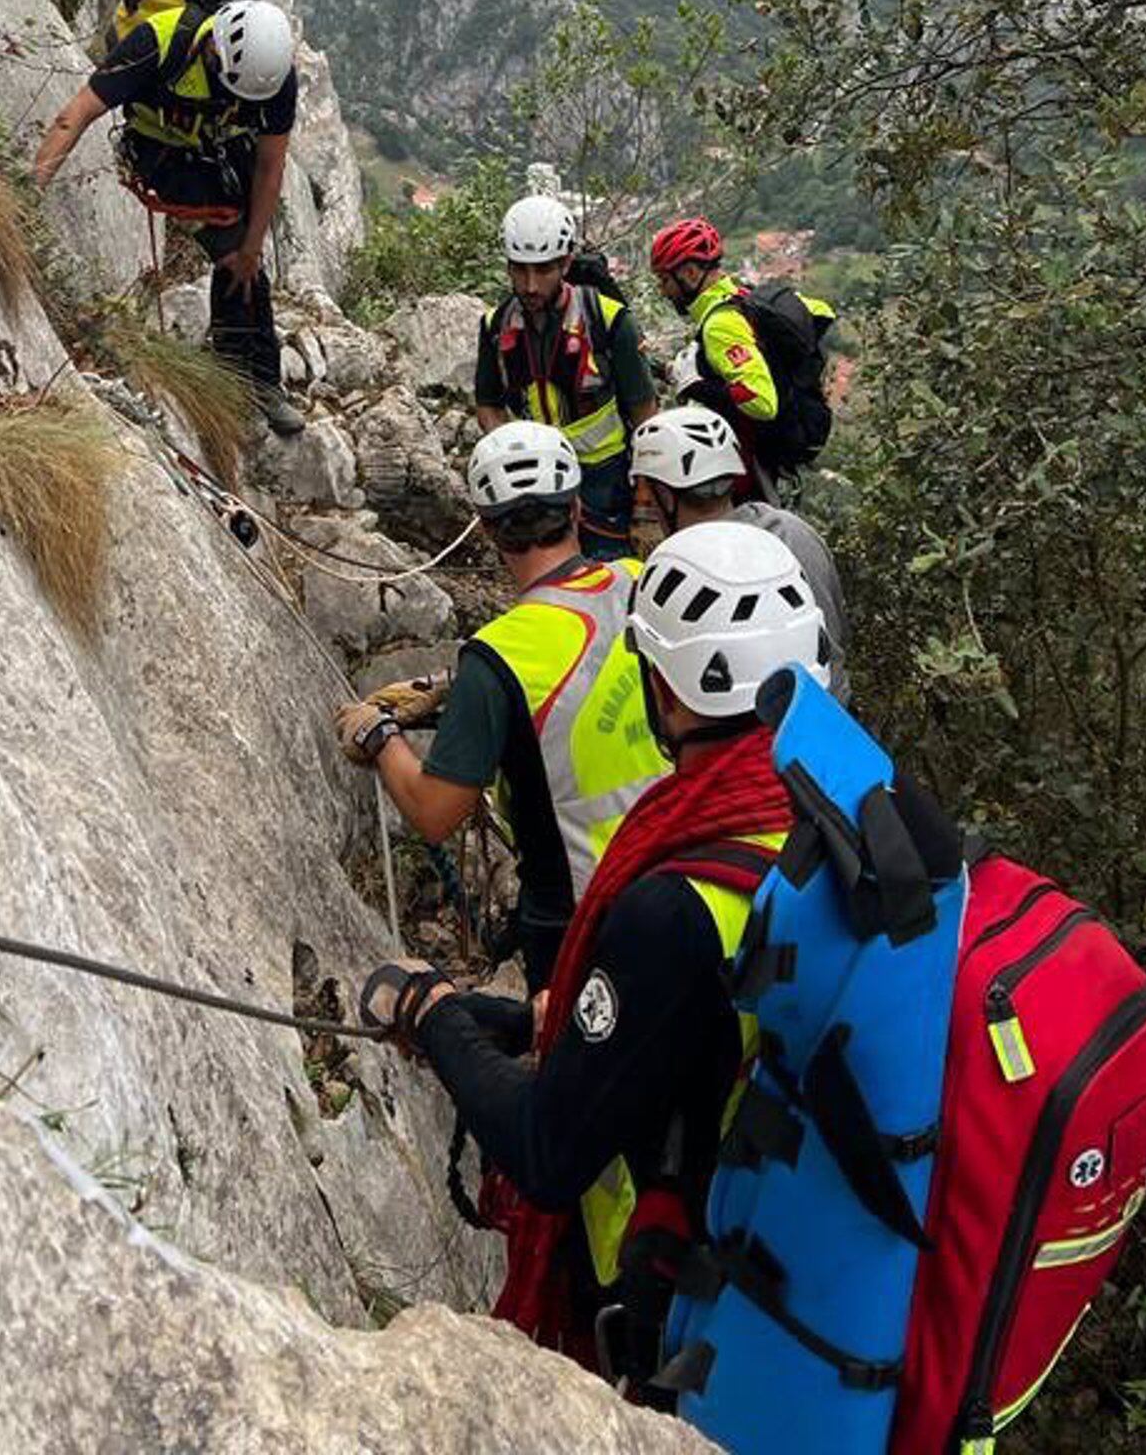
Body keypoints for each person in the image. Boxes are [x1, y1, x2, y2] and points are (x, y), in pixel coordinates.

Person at [360, 519, 828, 1391]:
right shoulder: (836, 813)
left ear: (669, 693)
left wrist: (435, 1017)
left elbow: (549, 1152)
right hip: (802, 1250)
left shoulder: (671, 908)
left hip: (684, 1288)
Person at [333, 421, 667, 991]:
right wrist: (450, 687)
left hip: (577, 917)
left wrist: (379, 736)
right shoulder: (641, 582)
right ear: (577, 507)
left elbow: (436, 812)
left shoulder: (497, 659)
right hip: (676, 873)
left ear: (488, 530)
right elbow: (588, 661)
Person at [33, 0, 305, 436]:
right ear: (214, 49)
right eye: (225, 83)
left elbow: (271, 165)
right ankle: (243, 376)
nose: (229, 94)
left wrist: (254, 247)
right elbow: (76, 114)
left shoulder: (273, 80)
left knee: (244, 263)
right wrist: (30, 192)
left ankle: (254, 378)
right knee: (229, 242)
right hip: (158, 148)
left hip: (218, 143)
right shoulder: (158, 43)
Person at [474, 194, 657, 559]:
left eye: (543, 270)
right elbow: (488, 403)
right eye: (520, 269)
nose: (529, 285)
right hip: (537, 481)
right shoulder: (496, 325)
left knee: (611, 580)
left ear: (566, 263)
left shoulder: (609, 321)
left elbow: (645, 415)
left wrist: (645, 504)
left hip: (606, 481)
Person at [628, 407, 850, 697]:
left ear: (666, 496)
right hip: (827, 713)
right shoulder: (793, 533)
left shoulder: (674, 579)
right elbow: (837, 632)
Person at [648, 216, 835, 491]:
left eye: (665, 280)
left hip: (750, 464)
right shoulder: (742, 295)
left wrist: (698, 387)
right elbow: (820, 311)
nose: (662, 290)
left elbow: (761, 403)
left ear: (689, 273)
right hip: (772, 448)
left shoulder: (719, 325)